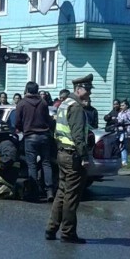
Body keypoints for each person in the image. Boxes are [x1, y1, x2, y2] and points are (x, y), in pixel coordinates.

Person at [46, 74, 93, 243]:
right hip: (73, 155)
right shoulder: (77, 107)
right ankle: (68, 232)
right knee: (71, 196)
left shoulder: (64, 104)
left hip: (62, 153)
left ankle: (51, 228)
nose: (89, 93)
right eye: (87, 90)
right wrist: (84, 156)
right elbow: (78, 135)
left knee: (62, 193)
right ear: (78, 89)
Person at [15, 81, 56, 202]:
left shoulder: (22, 103)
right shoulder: (43, 103)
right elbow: (48, 119)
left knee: (32, 165)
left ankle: (34, 192)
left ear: (26, 90)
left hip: (30, 137)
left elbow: (17, 122)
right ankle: (49, 191)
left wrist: (24, 129)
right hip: (44, 136)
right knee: (46, 163)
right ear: (37, 90)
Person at [116, 99, 130, 166]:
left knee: (123, 146)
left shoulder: (129, 113)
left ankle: (124, 161)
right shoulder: (120, 113)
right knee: (119, 145)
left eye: (123, 105)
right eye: (121, 105)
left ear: (126, 106)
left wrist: (128, 132)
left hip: (125, 131)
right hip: (119, 131)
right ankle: (120, 159)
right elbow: (118, 121)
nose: (121, 107)